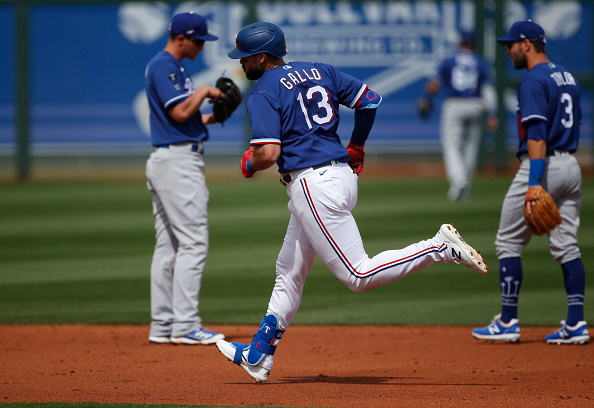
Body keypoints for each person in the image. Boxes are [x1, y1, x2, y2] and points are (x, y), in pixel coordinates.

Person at [214, 21, 489, 382]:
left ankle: (439, 247)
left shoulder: (264, 91)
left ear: (262, 57)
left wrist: (248, 164)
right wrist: (357, 146)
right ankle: (259, 355)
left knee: (358, 274)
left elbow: (267, 152)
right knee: (290, 271)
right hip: (339, 177)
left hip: (312, 185)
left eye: (246, 58)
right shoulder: (320, 70)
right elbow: (369, 100)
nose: (242, 64)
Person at [471, 20, 589, 345]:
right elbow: (572, 123)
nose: (507, 51)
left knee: (507, 244)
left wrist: (534, 182)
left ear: (527, 44)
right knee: (566, 246)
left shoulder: (533, 79)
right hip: (571, 166)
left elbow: (537, 134)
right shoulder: (567, 77)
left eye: (510, 45)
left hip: (542, 166)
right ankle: (577, 324)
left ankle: (508, 321)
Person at [144, 12, 227, 345]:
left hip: (171, 156)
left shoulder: (174, 67)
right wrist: (206, 90)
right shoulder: (164, 65)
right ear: (181, 38)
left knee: (168, 246)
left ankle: (163, 324)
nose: (201, 47)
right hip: (177, 162)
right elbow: (179, 112)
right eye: (198, 41)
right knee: (193, 242)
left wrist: (216, 115)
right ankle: (186, 325)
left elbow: (185, 119)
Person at [418, 30, 498, 201]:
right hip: (476, 104)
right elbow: (488, 90)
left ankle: (459, 181)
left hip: (454, 104)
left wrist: (426, 98)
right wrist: (492, 113)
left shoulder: (450, 60)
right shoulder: (481, 63)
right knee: (471, 147)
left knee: (451, 145)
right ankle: (465, 187)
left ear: (460, 42)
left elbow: (434, 84)